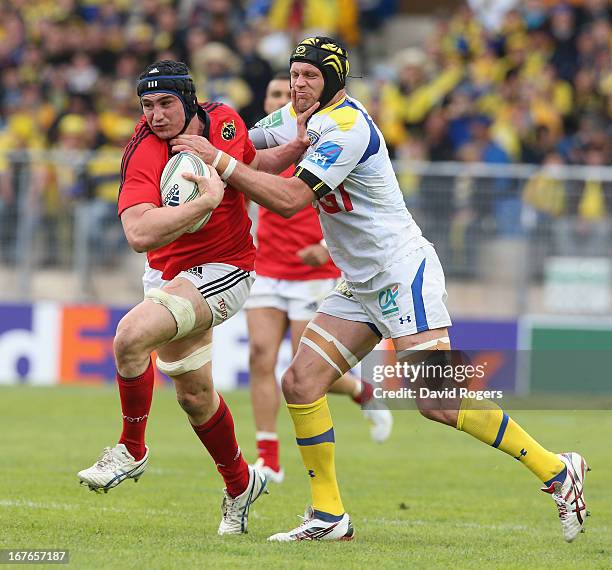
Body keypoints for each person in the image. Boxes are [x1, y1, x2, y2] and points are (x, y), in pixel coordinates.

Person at [171, 38, 589, 543]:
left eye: (310, 76)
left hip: (401, 272)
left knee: (438, 401)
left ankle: (558, 471)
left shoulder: (347, 128)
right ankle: (328, 516)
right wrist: (188, 130)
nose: (299, 84)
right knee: (301, 384)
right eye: (295, 74)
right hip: (361, 282)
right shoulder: (296, 117)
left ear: (335, 80)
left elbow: (289, 199)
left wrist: (217, 162)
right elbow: (245, 147)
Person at [76, 60, 314, 535]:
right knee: (195, 396)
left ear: (189, 100)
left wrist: (296, 147)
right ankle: (240, 485)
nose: (156, 115)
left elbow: (252, 165)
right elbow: (139, 233)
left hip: (228, 268)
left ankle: (131, 448)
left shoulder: (225, 119)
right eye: (147, 105)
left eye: (166, 103)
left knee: (129, 338)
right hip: (166, 272)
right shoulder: (142, 151)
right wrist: (203, 203)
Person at [245, 72, 393, 484]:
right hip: (269, 267)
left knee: (304, 370)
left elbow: (357, 211)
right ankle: (268, 457)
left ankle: (362, 392)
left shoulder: (327, 140)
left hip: (312, 270)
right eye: (275, 94)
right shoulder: (261, 150)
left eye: (286, 94)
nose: (282, 99)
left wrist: (326, 251)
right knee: (259, 356)